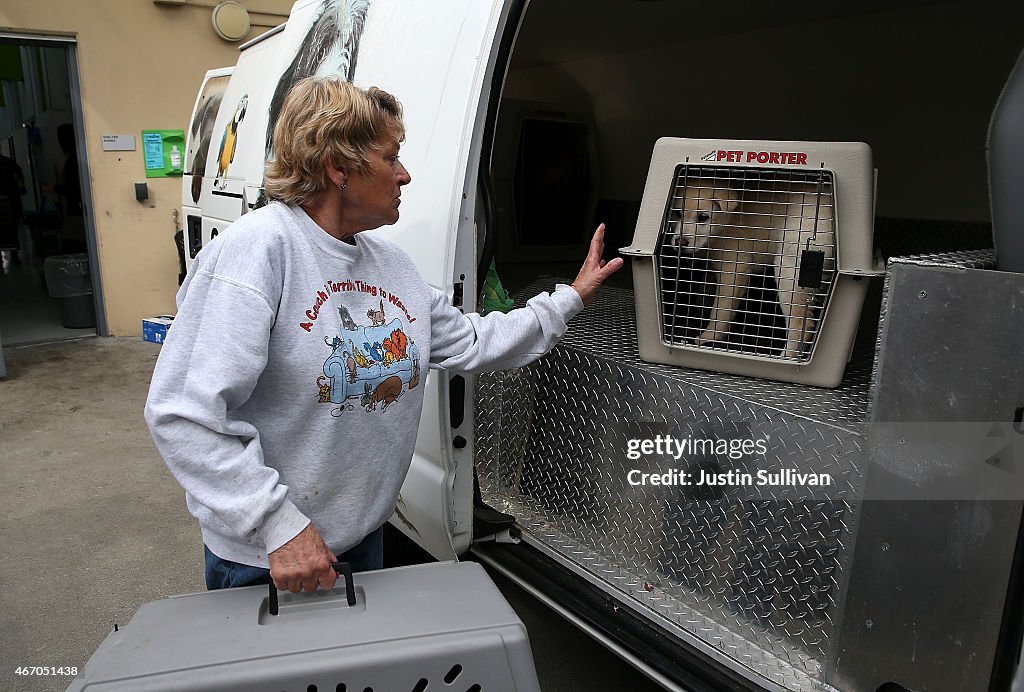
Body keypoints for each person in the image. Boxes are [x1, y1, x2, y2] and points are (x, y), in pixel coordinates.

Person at [144, 77, 622, 595]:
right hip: (271, 558)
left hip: (361, 537)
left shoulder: (388, 264)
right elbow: (184, 413)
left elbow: (474, 340)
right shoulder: (259, 251)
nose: (405, 174)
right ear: (338, 167)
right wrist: (277, 525)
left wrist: (570, 299)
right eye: (391, 157)